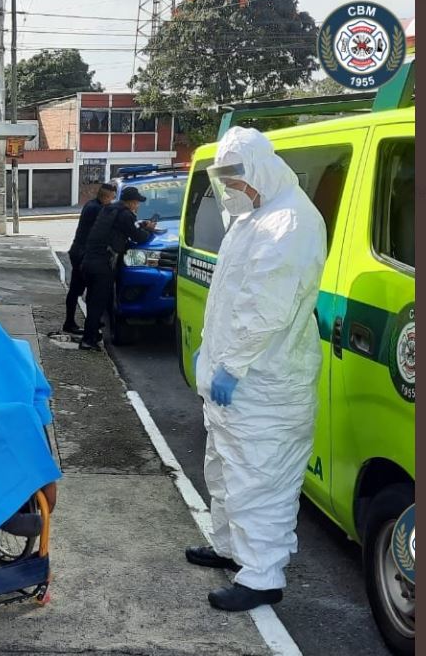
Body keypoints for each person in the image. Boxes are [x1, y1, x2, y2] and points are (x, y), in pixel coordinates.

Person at [186, 127, 326, 612]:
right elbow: (227, 299)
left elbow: (265, 307)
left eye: (235, 180)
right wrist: (211, 353)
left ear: (259, 170)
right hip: (236, 381)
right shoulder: (252, 218)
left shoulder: (288, 223)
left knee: (261, 479)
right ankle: (229, 549)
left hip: (266, 384)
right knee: (225, 469)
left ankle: (262, 576)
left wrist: (234, 364)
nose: (231, 191)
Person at [78, 186, 156, 351]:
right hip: (102, 264)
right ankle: (88, 340)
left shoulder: (109, 209)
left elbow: (118, 232)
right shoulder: (124, 214)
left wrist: (139, 225)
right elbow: (138, 236)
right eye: (137, 202)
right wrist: (149, 231)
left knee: (93, 301)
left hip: (89, 261)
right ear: (132, 202)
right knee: (98, 304)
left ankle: (92, 334)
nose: (138, 206)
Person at [62, 183, 116, 335]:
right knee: (79, 289)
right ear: (105, 196)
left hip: (78, 251)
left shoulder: (91, 205)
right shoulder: (97, 209)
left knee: (79, 289)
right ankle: (71, 322)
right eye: (111, 198)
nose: (112, 201)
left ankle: (83, 322)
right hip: (82, 253)